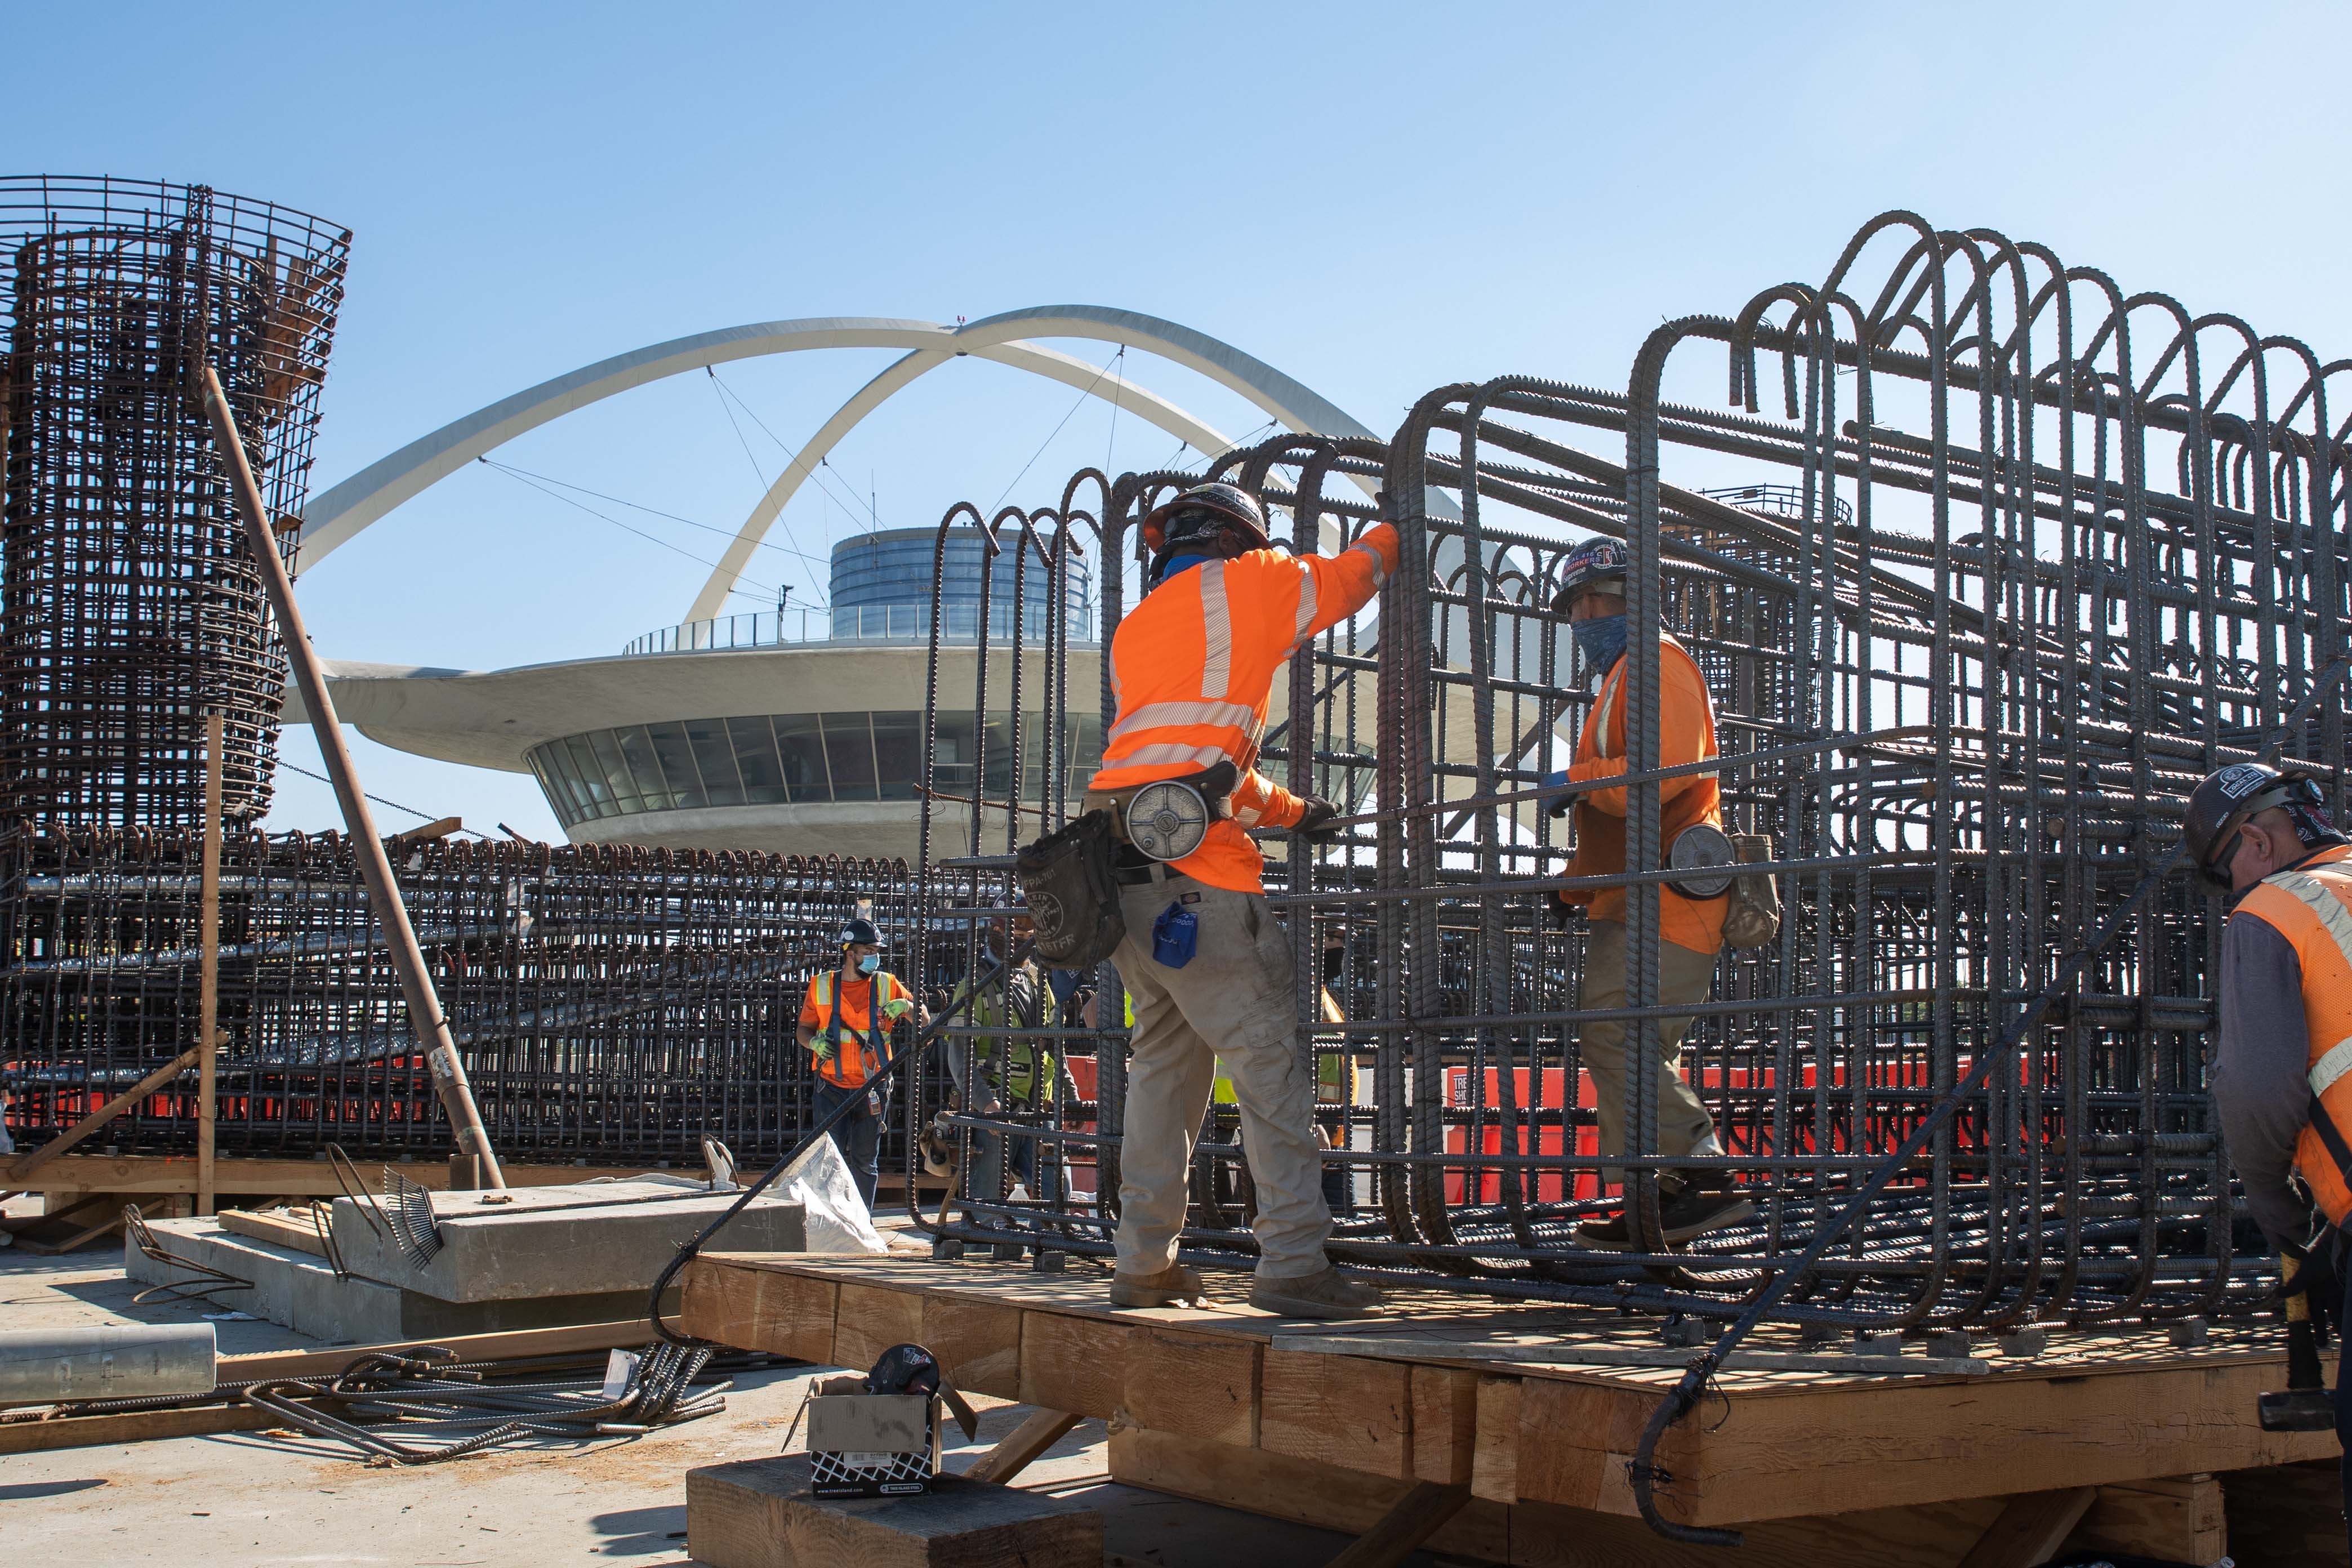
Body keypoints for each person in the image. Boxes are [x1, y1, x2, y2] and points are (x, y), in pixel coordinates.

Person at [1085, 480, 1394, 1319]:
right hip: (1205, 883)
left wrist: (1299, 812)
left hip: (1118, 877)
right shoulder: (1248, 581)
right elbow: (1350, 580)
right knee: (1270, 1071)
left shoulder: (1137, 628)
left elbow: (1195, 762)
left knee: (1161, 1077)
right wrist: (1396, 526)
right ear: (1238, 540)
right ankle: (1295, 1263)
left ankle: (1143, 1265)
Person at [1546, 536, 1753, 1248]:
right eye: (1576, 605)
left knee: (1619, 1036)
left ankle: (1702, 1177)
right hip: (1637, 896)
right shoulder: (1624, 676)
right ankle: (1659, 1202)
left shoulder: (1658, 663)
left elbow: (1660, 776)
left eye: (1597, 600)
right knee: (1629, 1041)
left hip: (1670, 897)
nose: (1585, 616)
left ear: (1634, 601)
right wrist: (1576, 885)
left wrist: (1577, 783)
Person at [2191, 759, 2352, 1531]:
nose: (2234, 899)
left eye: (2228, 880)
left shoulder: (2275, 911)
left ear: (2255, 839)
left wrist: (2288, 1226)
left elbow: (2256, 1091)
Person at [798, 916, 927, 1210]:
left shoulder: (887, 984)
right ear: (850, 953)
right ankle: (831, 1221)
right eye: (867, 951)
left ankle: (861, 1221)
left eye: (876, 951)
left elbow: (925, 1021)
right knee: (828, 1160)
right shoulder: (821, 986)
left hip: (873, 1088)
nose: (874, 957)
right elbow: (803, 1030)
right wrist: (814, 1043)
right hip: (831, 1087)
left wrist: (907, 1006)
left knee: (865, 1162)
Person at [947, 914, 1072, 1211]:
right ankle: (974, 1253)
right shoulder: (975, 984)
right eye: (1018, 933)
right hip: (994, 1111)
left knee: (1057, 1188)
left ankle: (1046, 1246)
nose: (1025, 940)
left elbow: (1055, 1045)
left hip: (1038, 1108)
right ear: (997, 932)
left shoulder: (1037, 980)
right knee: (984, 1201)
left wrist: (1069, 1094)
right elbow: (960, 1054)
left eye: (1031, 933)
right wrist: (986, 1104)